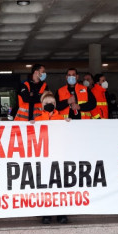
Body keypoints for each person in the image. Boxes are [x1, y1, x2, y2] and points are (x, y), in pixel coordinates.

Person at [34, 92, 71, 224]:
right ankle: (47, 213)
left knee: (60, 185)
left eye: (51, 103)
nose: (49, 105)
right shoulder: (37, 120)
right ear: (41, 105)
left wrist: (69, 124)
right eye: (46, 103)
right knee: (45, 185)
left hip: (58, 156)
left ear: (55, 105)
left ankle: (61, 213)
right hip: (44, 158)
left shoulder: (62, 119)